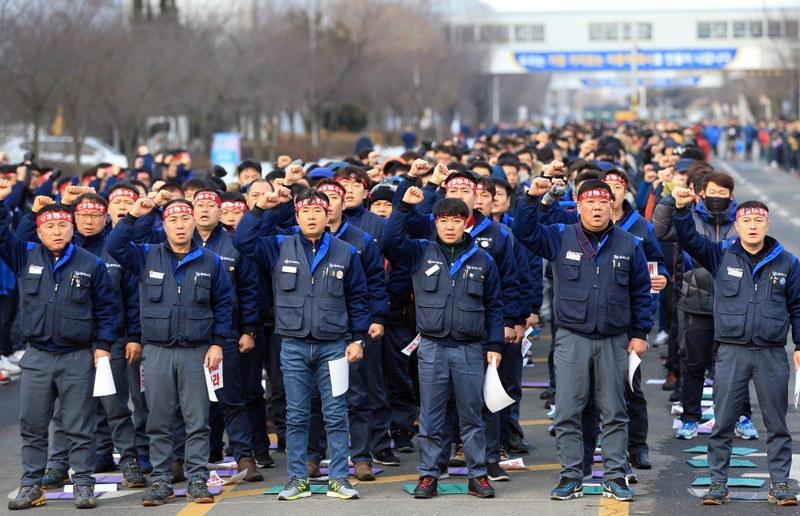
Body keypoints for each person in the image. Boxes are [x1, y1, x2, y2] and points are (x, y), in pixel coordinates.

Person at [512, 177, 653, 503]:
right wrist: (533, 198)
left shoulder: (629, 243)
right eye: (590, 202)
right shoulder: (561, 236)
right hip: (572, 338)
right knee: (567, 412)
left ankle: (616, 477)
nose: (597, 208)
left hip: (614, 340)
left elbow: (641, 293)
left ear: (612, 206)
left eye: (603, 202)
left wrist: (640, 334)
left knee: (616, 412)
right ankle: (571, 476)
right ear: (578, 207)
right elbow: (524, 232)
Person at [234, 187, 371, 501]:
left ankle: (339, 478)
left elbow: (358, 298)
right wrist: (259, 209)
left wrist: (359, 339)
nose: (312, 217)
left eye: (318, 212)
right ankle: (297, 478)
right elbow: (243, 241)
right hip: (293, 344)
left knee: (336, 414)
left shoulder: (344, 251)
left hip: (334, 345)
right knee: (296, 415)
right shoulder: (280, 245)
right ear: (296, 216)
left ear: (328, 217)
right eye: (305, 212)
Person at [671, 195, 799, 506]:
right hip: (731, 350)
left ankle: (780, 485)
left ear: (767, 224)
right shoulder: (720, 254)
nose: (752, 226)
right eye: (746, 221)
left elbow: (797, 306)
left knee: (777, 423)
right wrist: (681, 210)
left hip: (771, 352)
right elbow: (688, 238)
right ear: (737, 226)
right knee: (724, 419)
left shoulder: (789, 262)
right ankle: (718, 484)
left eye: (758, 221)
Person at [106, 197, 234, 506]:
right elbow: (114, 244)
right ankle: (161, 479)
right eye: (173, 221)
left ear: (194, 224)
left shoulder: (211, 260)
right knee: (158, 419)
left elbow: (224, 304)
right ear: (163, 225)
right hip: (158, 351)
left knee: (197, 420)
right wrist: (136, 213)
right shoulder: (146, 255)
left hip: (197, 351)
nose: (180, 225)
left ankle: (198, 479)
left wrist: (217, 342)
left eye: (185, 220)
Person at [0, 179, 118, 511]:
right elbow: (2, 235)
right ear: (38, 231)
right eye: (49, 226)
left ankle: (83, 484)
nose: (56, 231)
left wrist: (103, 345)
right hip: (37, 356)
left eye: (62, 225)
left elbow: (107, 309)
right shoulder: (25, 256)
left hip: (77, 357)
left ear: (72, 229)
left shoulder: (90, 263)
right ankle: (30, 485)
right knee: (33, 425)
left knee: (79, 425)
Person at [385, 188, 502, 499]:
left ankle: (478, 476)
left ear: (467, 222)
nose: (450, 226)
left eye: (457, 220)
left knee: (472, 416)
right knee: (432, 416)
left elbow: (494, 306)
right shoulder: (419, 252)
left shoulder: (483, 259)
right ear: (434, 223)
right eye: (443, 220)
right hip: (432, 346)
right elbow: (390, 241)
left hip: (470, 347)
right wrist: (403, 204)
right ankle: (428, 475)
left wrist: (495, 345)